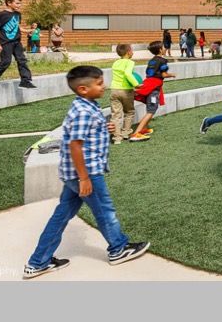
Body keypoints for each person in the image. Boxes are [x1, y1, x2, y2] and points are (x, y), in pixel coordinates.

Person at [22, 66, 150, 279]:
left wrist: (104, 129)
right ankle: (118, 248)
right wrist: (84, 178)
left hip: (74, 173)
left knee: (62, 214)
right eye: (99, 83)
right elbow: (75, 145)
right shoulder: (83, 111)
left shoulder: (86, 105)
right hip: (86, 173)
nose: (104, 86)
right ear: (83, 89)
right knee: (105, 211)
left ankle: (38, 262)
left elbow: (85, 133)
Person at [0, 0, 35, 89]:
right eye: (17, 3)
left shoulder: (17, 14)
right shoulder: (2, 14)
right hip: (5, 42)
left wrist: (26, 31)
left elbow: (16, 26)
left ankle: (25, 81)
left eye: (20, 4)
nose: (19, 5)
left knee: (22, 60)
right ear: (9, 3)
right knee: (6, 62)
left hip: (17, 42)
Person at [130, 41, 175, 141]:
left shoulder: (152, 60)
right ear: (160, 50)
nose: (164, 48)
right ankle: (136, 133)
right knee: (151, 110)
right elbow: (163, 75)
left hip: (148, 83)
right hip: (153, 87)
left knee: (149, 108)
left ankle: (144, 129)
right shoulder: (163, 61)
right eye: (163, 47)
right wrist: (172, 75)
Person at [109, 44, 143, 145]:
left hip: (114, 90)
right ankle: (125, 132)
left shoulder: (115, 63)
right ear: (128, 52)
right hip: (126, 90)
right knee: (129, 111)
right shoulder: (130, 62)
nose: (133, 52)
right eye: (132, 50)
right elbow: (128, 74)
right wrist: (136, 84)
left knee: (116, 114)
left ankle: (117, 138)